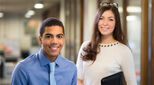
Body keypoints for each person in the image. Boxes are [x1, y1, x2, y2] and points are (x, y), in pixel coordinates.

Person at [76, 2, 137, 85]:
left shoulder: (124, 51)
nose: (105, 23)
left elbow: (132, 83)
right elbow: (79, 79)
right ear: (97, 21)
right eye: (101, 18)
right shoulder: (86, 46)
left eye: (110, 19)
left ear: (116, 23)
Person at [11, 17, 77, 85]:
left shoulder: (71, 68)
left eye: (59, 36)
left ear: (63, 39)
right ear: (40, 39)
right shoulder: (23, 69)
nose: (54, 42)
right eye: (48, 36)